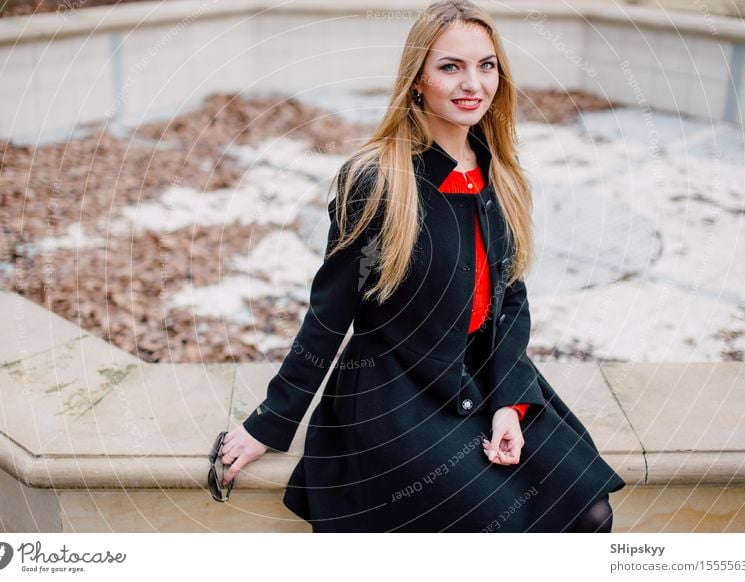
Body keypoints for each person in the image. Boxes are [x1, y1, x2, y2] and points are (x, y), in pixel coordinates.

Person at [216, 0, 625, 532]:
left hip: (484, 378)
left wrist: (510, 404)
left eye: (486, 65)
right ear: (417, 80)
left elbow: (511, 301)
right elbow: (329, 313)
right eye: (449, 66)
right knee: (486, 522)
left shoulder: (501, 174)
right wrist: (271, 422)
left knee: (591, 510)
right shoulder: (378, 180)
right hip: (396, 393)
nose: (471, 83)